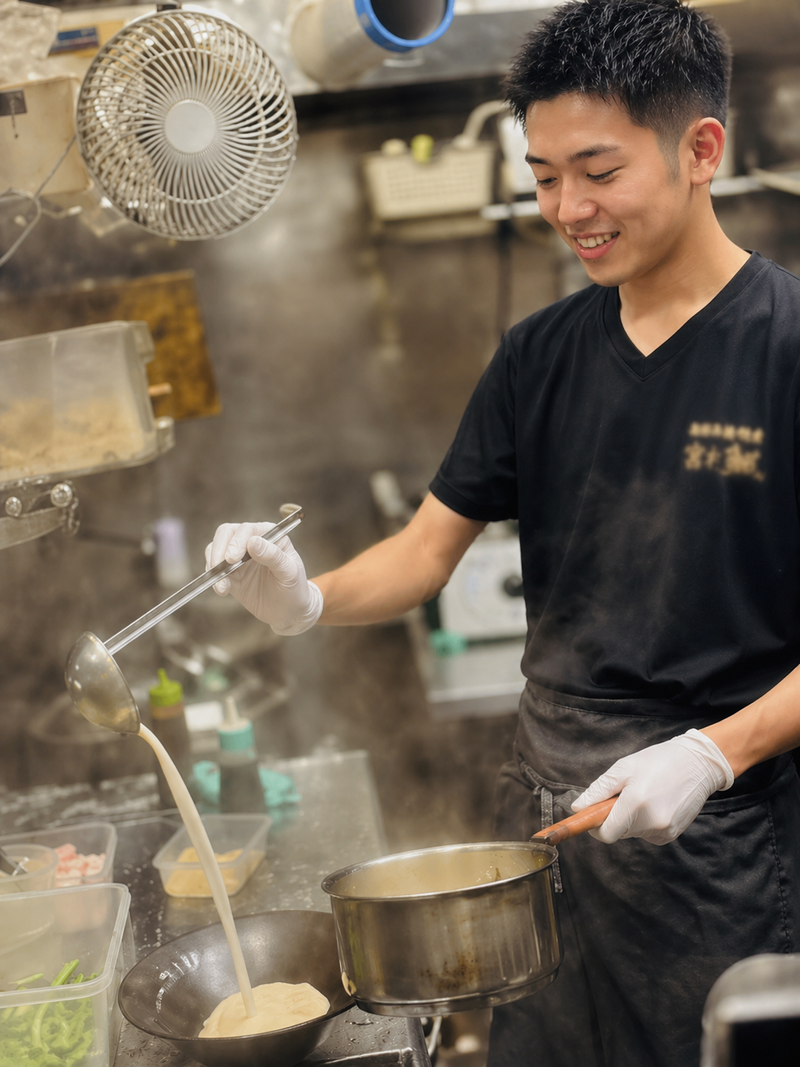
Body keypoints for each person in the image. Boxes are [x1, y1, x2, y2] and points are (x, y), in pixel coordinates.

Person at [206, 1, 800, 1063]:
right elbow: (424, 552)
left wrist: (715, 752)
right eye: (544, 175)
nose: (568, 209)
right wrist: (307, 597)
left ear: (701, 150)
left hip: (717, 831)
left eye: (598, 171)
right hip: (545, 811)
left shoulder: (784, 346)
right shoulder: (539, 353)